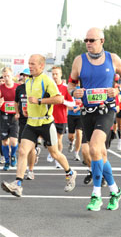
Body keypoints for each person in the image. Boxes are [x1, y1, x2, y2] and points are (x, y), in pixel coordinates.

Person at [68, 27, 121, 211]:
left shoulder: (113, 58)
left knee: (95, 148)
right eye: (86, 40)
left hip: (107, 110)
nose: (88, 43)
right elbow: (71, 82)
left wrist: (118, 89)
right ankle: (115, 191)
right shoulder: (79, 60)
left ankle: (96, 194)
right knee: (98, 154)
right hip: (87, 111)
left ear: (101, 41)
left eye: (92, 40)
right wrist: (74, 91)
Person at [1, 54, 77, 197]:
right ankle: (17, 184)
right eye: (29, 63)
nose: (30, 66)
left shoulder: (47, 80)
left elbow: (60, 98)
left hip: (46, 123)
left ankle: (70, 172)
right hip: (31, 123)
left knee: (55, 153)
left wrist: (40, 101)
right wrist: (26, 109)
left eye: (33, 64)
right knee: (23, 151)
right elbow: (29, 101)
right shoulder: (29, 82)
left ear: (41, 66)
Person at [15, 68, 41, 180]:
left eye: (27, 75)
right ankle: (21, 172)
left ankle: (30, 170)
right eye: (23, 75)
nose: (25, 77)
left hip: (34, 120)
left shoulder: (36, 87)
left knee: (31, 149)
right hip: (22, 121)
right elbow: (16, 102)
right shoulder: (19, 88)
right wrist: (17, 112)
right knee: (22, 148)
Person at [47, 66, 75, 168]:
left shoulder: (65, 88)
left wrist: (63, 101)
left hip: (61, 118)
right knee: (49, 139)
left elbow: (72, 103)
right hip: (49, 117)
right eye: (53, 74)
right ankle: (51, 152)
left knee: (58, 139)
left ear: (60, 74)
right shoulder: (49, 86)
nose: (54, 76)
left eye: (56, 74)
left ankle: (57, 160)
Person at [0, 67, 19, 171]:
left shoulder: (18, 87)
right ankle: (7, 161)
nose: (6, 78)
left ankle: (13, 155)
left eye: (8, 76)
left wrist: (19, 111)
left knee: (14, 141)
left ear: (12, 75)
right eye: (4, 76)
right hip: (4, 116)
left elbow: (22, 101)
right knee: (5, 142)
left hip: (15, 117)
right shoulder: (1, 88)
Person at [67, 82, 83, 161]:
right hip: (71, 115)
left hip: (80, 115)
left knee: (79, 133)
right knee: (71, 136)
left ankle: (76, 153)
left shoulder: (83, 88)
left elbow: (85, 102)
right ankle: (71, 142)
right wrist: (70, 107)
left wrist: (79, 107)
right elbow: (66, 101)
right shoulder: (70, 89)